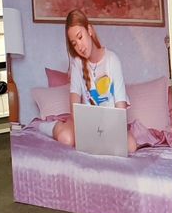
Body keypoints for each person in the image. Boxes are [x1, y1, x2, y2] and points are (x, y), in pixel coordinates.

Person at [48, 10, 136, 154]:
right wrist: (84, 134)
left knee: (131, 146)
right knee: (66, 139)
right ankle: (53, 126)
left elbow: (120, 106)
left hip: (112, 126)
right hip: (86, 126)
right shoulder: (77, 63)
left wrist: (112, 134)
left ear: (89, 30)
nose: (80, 47)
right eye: (74, 44)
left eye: (80, 37)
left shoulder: (112, 60)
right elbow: (74, 103)